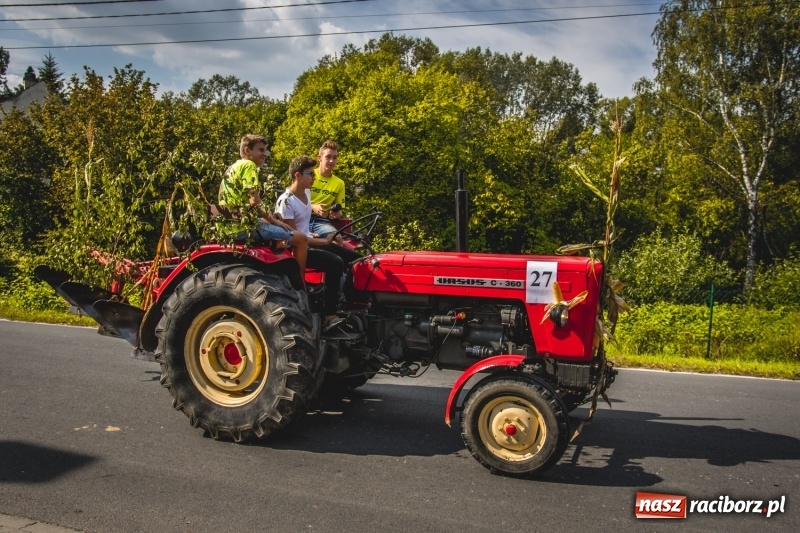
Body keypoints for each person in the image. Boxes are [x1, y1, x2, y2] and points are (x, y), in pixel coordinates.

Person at [276, 155, 360, 315]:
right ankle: (329, 312)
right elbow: (295, 240)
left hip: (310, 240)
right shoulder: (286, 202)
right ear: (298, 175)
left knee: (356, 259)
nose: (315, 177)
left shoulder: (306, 192)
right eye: (311, 174)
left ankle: (354, 304)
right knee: (335, 262)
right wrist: (324, 241)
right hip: (297, 251)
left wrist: (314, 234)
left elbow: (303, 227)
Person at [218, 134, 308, 271]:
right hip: (241, 228)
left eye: (265, 150)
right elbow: (255, 201)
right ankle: (302, 286)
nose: (265, 154)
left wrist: (269, 217)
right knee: (301, 239)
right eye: (261, 150)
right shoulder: (249, 165)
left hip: (230, 225)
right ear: (248, 151)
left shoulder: (234, 166)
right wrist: (275, 221)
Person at [309, 140, 346, 239]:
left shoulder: (339, 183)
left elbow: (340, 210)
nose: (331, 161)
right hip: (301, 218)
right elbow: (292, 199)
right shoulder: (309, 174)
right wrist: (312, 206)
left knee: (337, 238)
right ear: (319, 158)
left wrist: (337, 213)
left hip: (321, 221)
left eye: (334, 158)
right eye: (328, 157)